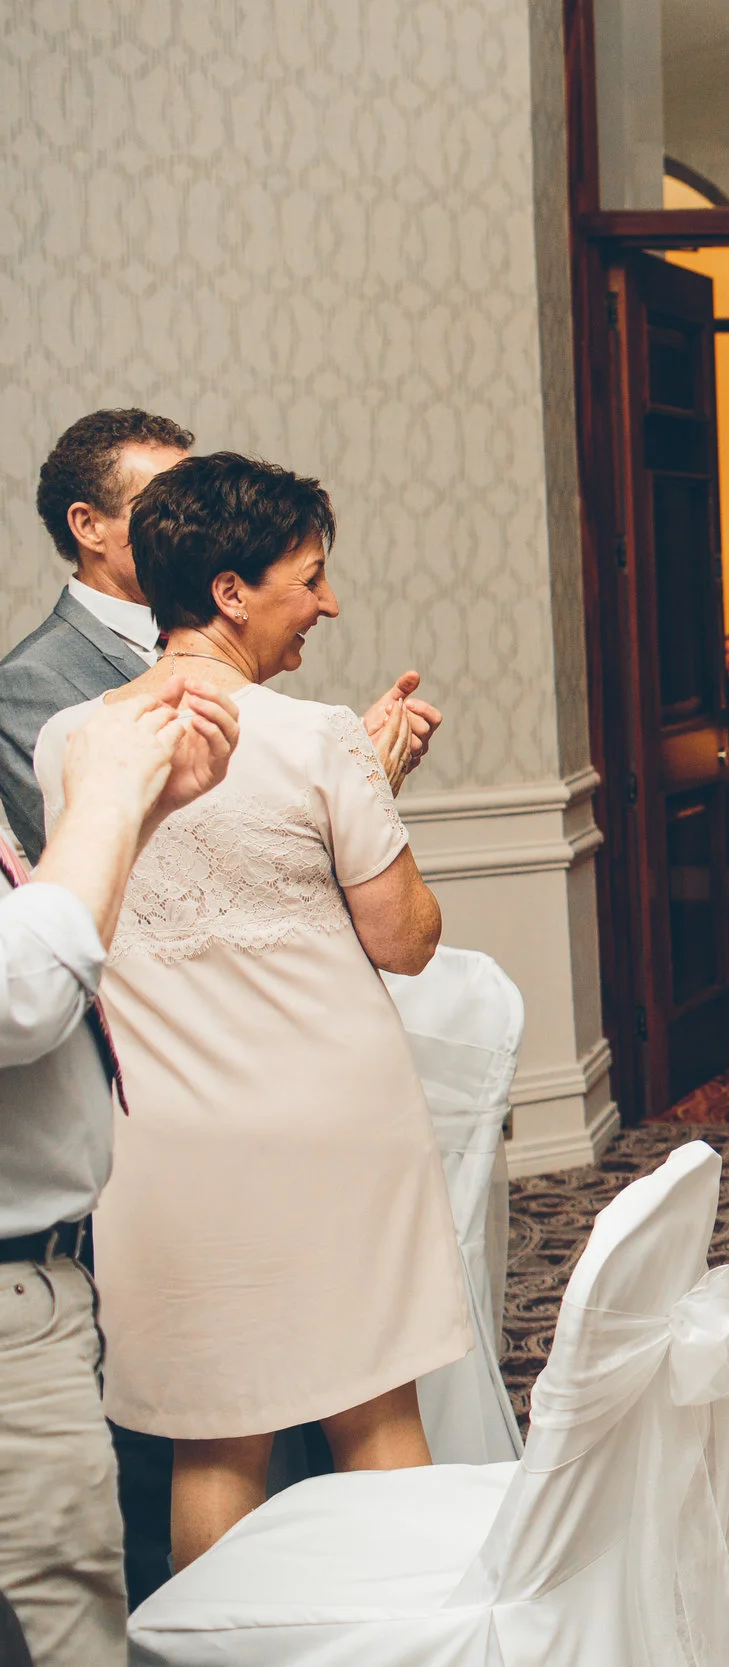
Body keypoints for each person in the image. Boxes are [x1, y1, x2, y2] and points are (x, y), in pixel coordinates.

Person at [3, 409, 444, 1603]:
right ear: (234, 592)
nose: (328, 603)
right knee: (374, 1411)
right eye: (311, 578)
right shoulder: (316, 736)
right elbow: (404, 940)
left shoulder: (66, 738)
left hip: (166, 1136)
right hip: (334, 1122)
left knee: (215, 1438)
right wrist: (372, 787)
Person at [0, 673, 240, 1666]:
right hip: (11, 1308)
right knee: (58, 1628)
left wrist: (137, 815)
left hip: (39, 1283)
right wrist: (101, 796)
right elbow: (20, 992)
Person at [2, 409, 441, 862]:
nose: (190, 519)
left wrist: (348, 763)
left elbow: (256, 795)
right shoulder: (27, 682)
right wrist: (357, 800)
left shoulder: (217, 633)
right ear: (88, 525)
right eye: (159, 501)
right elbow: (84, 866)